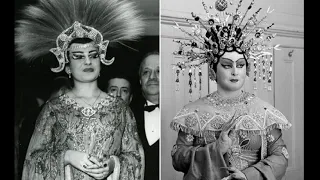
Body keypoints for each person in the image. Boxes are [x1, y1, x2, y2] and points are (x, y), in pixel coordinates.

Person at [15, 0, 145, 179]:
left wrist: (113, 164)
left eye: (93, 55)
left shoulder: (121, 109)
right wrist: (67, 157)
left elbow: (135, 156)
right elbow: (32, 161)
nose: (87, 61)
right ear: (67, 66)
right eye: (78, 56)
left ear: (102, 61)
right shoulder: (53, 109)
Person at [169, 1, 292, 180]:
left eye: (241, 65)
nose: (235, 71)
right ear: (213, 71)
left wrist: (248, 175)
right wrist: (215, 149)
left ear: (247, 70)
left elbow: (280, 156)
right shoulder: (193, 112)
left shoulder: (263, 110)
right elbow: (178, 158)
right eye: (227, 65)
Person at [131, 51, 160, 180]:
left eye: (159, 71)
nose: (152, 77)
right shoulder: (127, 115)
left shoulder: (182, 115)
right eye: (146, 72)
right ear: (140, 81)